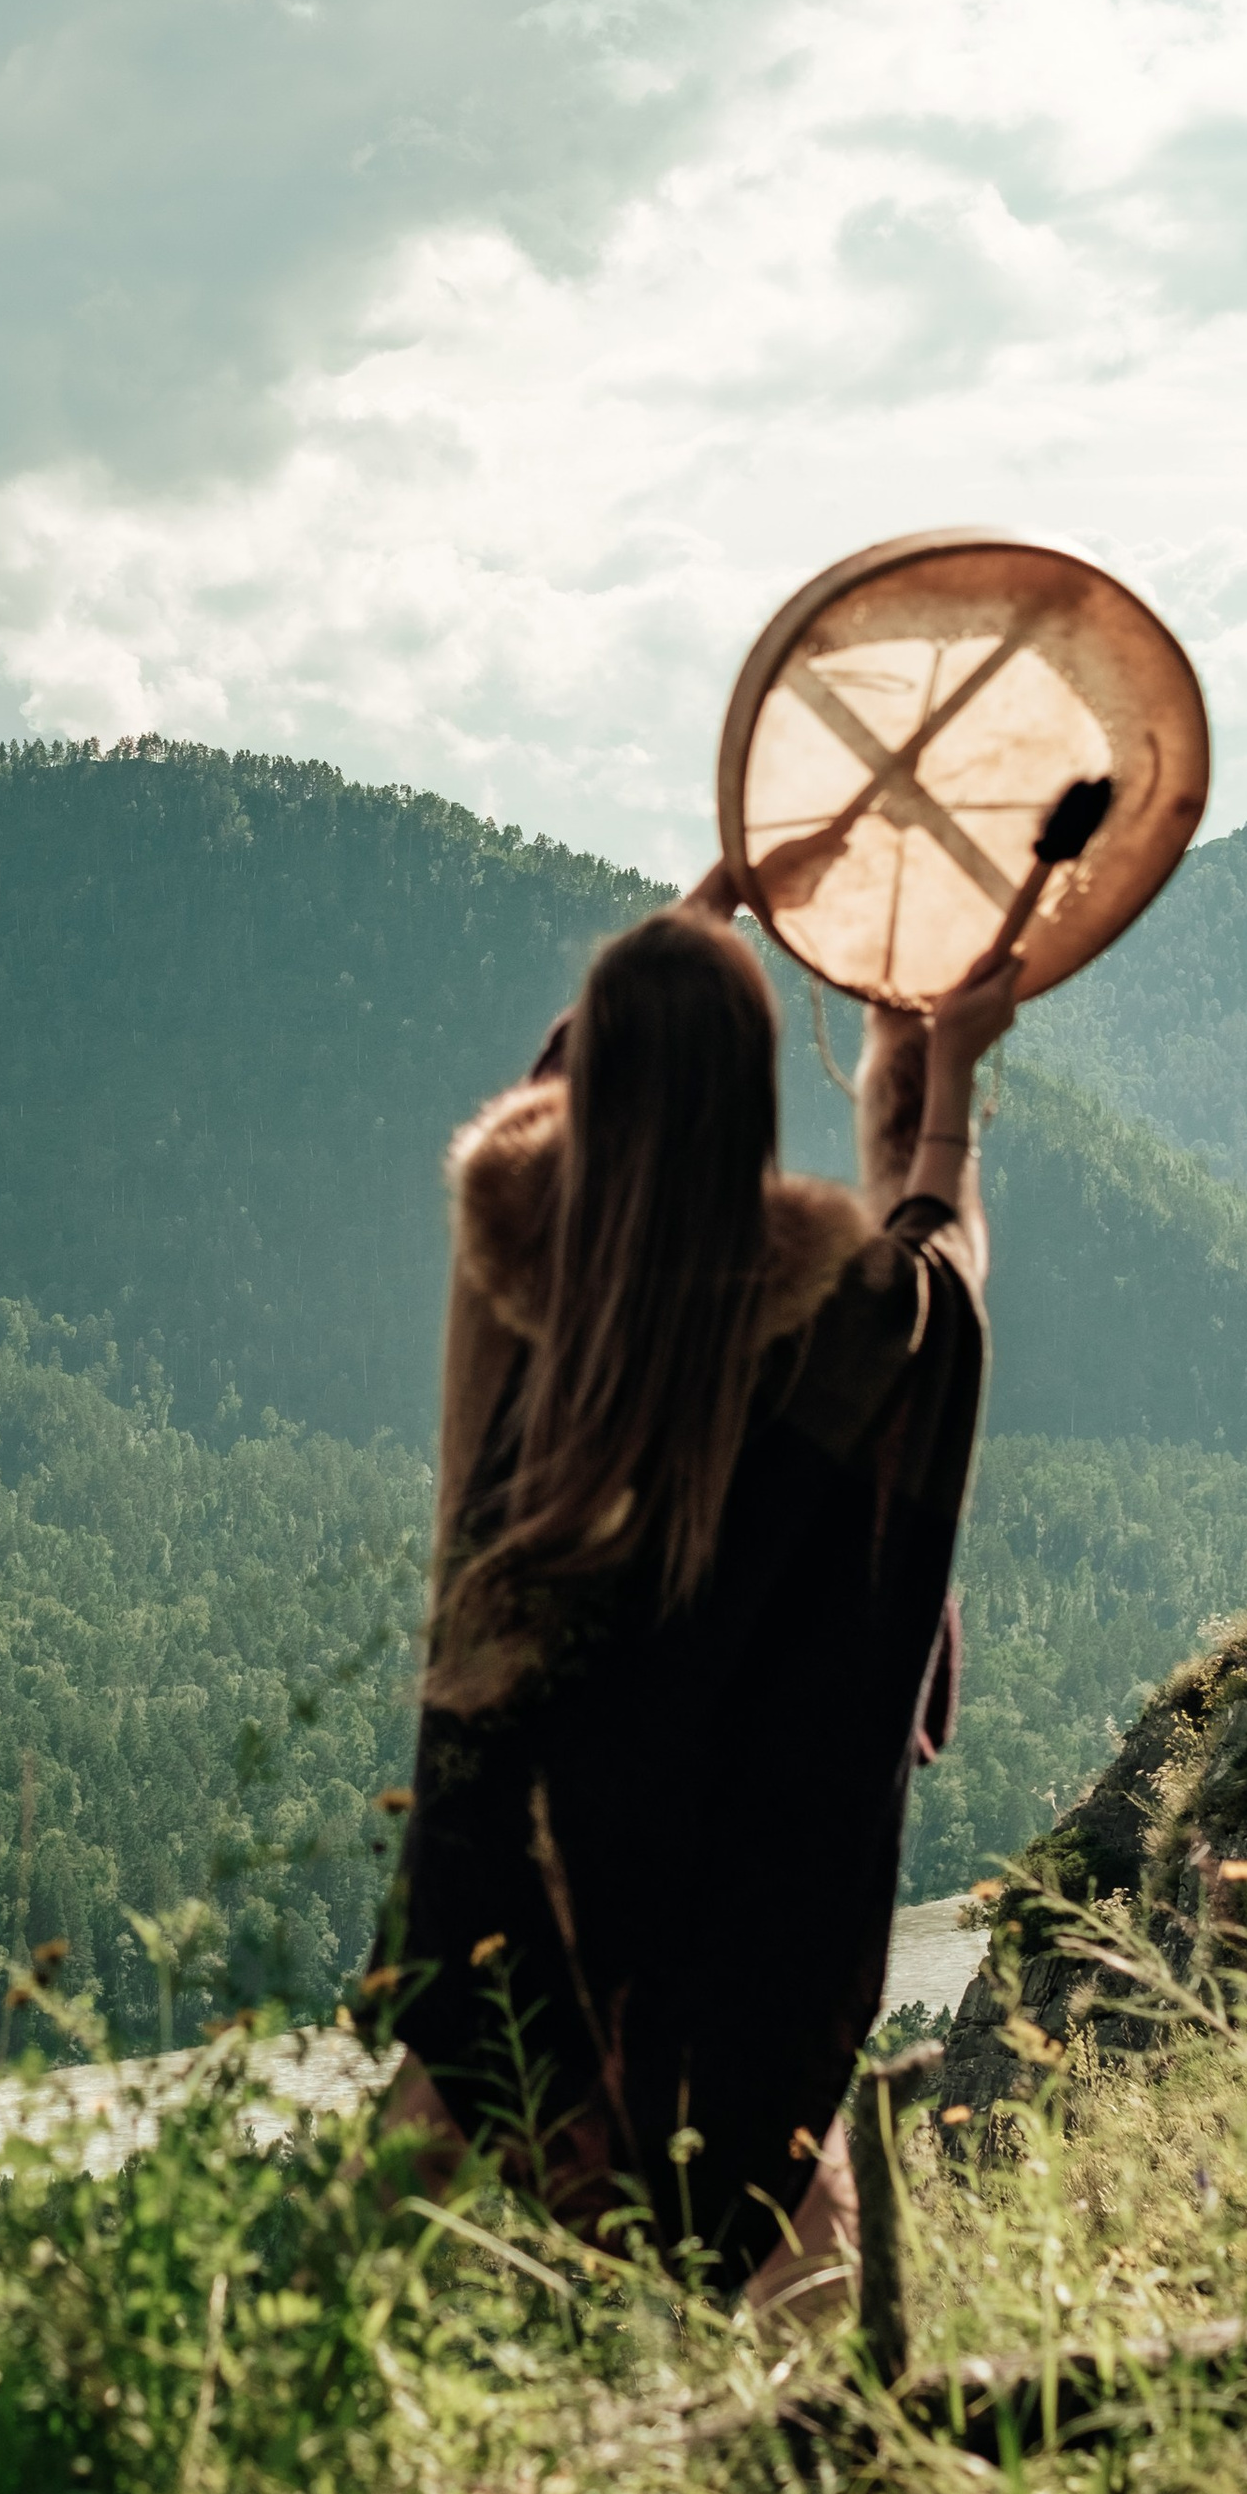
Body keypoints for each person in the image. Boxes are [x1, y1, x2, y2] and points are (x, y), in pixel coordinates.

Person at [377, 866, 1018, 2308]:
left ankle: (259, 2415)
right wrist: (930, 1076)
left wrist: (710, 901)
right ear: (752, 1109)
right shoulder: (838, 1331)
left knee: (410, 2196)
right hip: (728, 1907)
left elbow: (550, 1101)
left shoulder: (521, 1269)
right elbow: (942, 1260)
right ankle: (846, 2437)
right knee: (776, 2191)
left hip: (518, 1876)